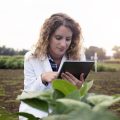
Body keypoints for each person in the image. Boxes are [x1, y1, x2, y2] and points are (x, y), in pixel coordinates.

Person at [19, 13, 86, 119]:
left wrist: (79, 88)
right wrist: (42, 78)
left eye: (68, 39)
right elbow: (29, 94)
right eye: (58, 38)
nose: (63, 44)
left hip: (65, 109)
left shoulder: (78, 57)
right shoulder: (31, 57)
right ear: (47, 37)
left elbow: (80, 94)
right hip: (38, 110)